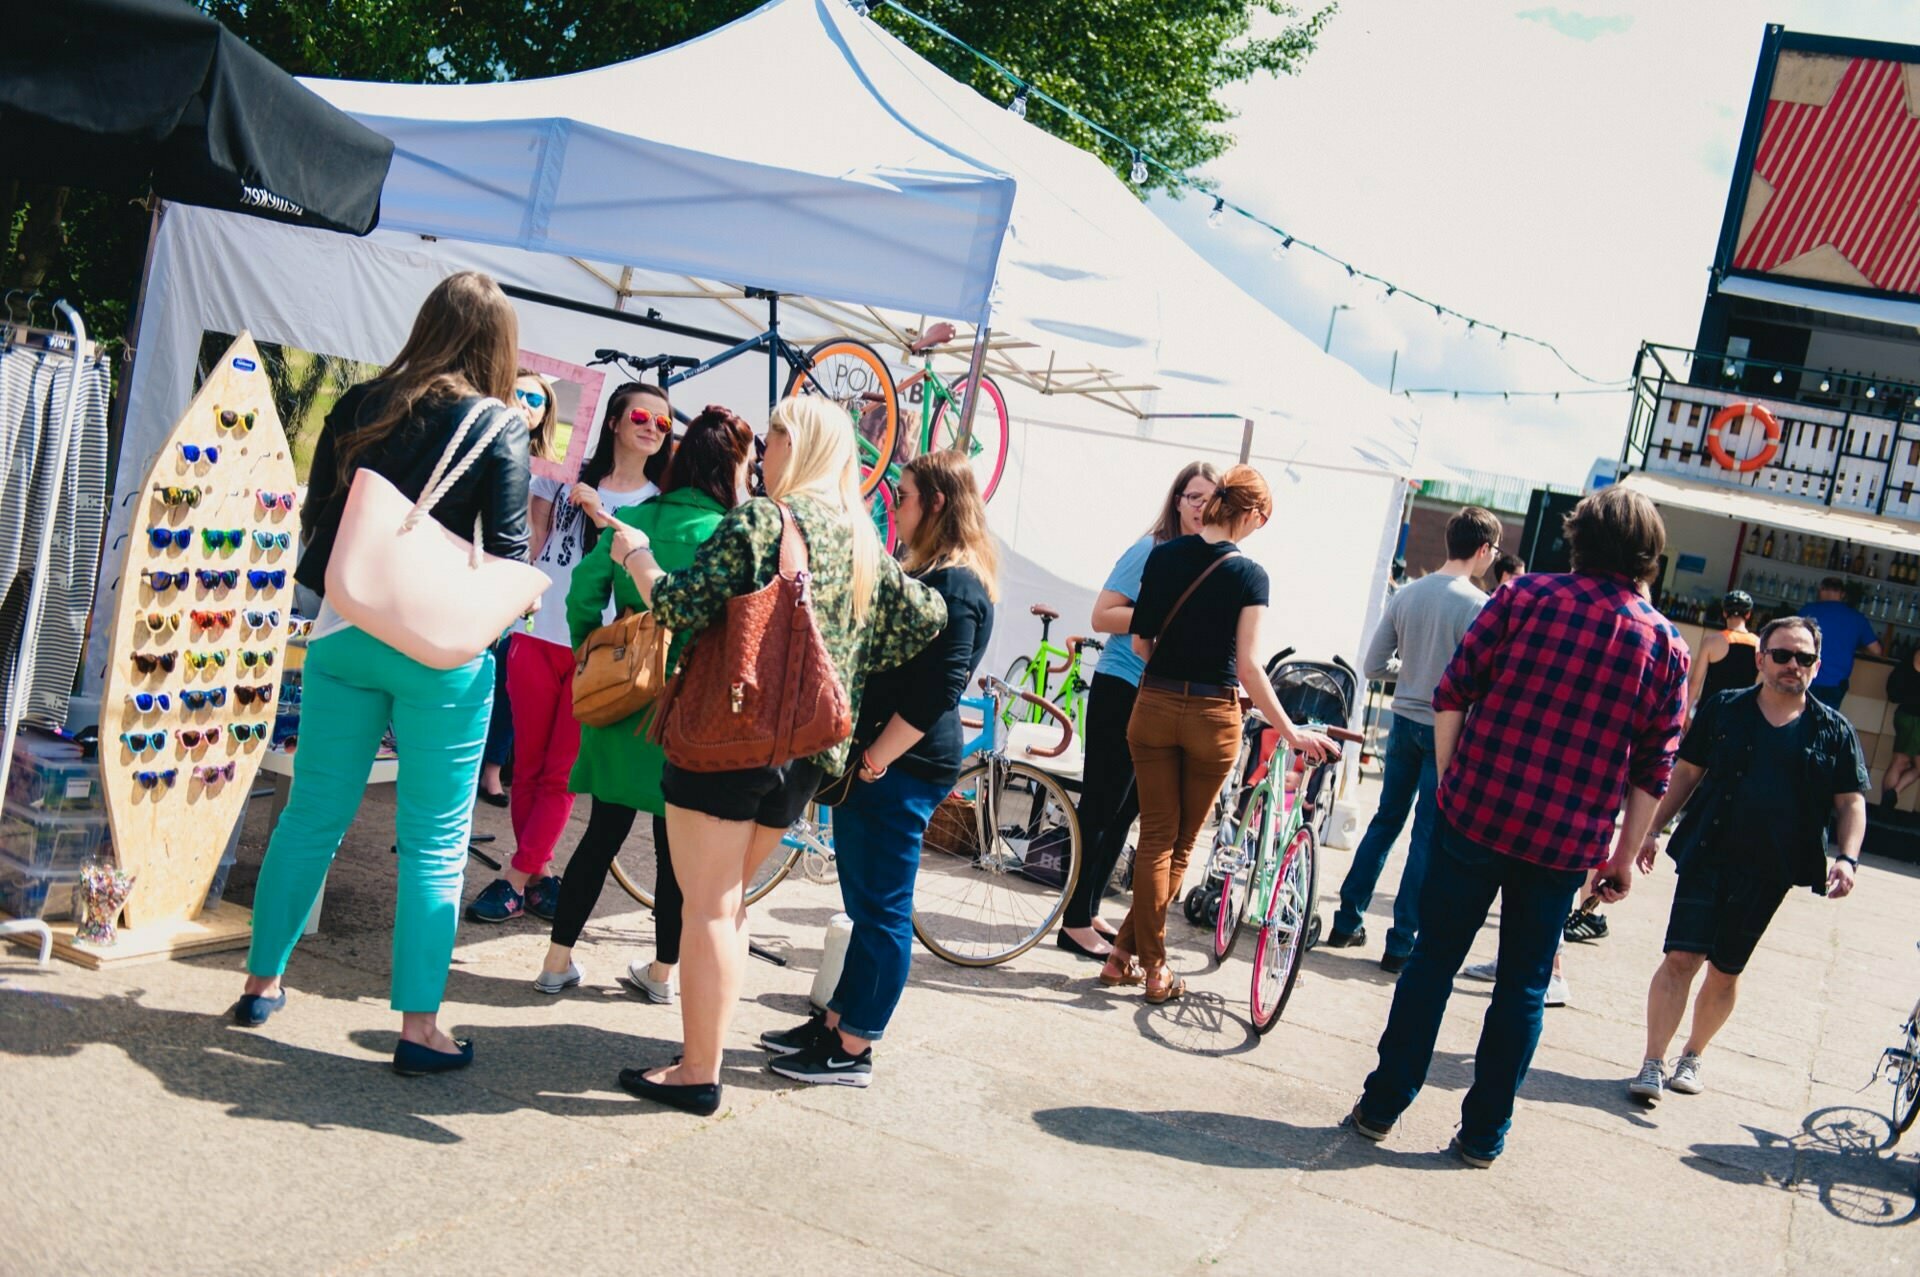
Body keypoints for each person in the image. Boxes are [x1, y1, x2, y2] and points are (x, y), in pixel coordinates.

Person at [600, 395, 946, 1114]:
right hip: (806, 755)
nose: (764, 447)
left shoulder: (764, 519)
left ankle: (699, 1069)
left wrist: (636, 556)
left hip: (728, 738)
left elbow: (677, 607)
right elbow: (927, 618)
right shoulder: (863, 543)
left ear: (803, 445)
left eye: (777, 433)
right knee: (726, 907)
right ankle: (703, 1053)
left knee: (710, 909)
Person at [233, 270, 530, 1075]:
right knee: (435, 843)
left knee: (311, 817)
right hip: (441, 655)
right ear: (497, 345)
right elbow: (507, 551)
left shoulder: (364, 401)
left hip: (343, 627)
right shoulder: (499, 424)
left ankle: (261, 983)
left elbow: (320, 518)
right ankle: (419, 1028)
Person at [1345, 486, 1688, 1166]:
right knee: (1523, 986)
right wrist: (1623, 855)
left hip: (1478, 811)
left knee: (1432, 963)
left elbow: (1452, 693)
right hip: (1565, 840)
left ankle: (1383, 1103)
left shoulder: (1523, 598)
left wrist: (1449, 783)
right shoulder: (1665, 643)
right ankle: (1482, 1133)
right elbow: (1655, 765)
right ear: (1649, 553)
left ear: (1578, 538)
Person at [764, 449, 998, 1086]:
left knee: (885, 911)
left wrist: (874, 759)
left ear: (938, 503)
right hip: (889, 760)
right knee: (865, 905)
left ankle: (855, 1047)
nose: (895, 503)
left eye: (905, 494)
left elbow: (939, 690)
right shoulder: (932, 570)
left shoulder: (958, 583)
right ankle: (837, 1021)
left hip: (904, 763)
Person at [532, 406, 752, 997]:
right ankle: (661, 974)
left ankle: (556, 961)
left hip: (624, 691)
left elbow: (583, 591)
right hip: (689, 706)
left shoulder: (636, 518)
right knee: (673, 848)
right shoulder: (731, 536)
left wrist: (589, 649)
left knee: (599, 833)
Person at [1097, 465, 1338, 1004]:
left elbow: (1140, 643)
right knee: (1179, 845)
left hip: (1153, 704)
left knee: (1156, 838)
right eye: (1264, 520)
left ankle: (1121, 957)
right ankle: (1154, 969)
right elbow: (1250, 668)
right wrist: (1291, 730)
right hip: (1212, 716)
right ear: (1251, 514)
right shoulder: (1250, 575)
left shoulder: (1164, 556)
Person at [1628, 616, 1864, 1104]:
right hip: (1708, 851)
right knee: (1681, 957)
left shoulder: (1832, 730)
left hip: (1772, 868)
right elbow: (1686, 772)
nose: (1791, 665)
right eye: (1782, 655)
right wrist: (1651, 830)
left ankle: (1692, 1054)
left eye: (1803, 658)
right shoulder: (1726, 709)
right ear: (1761, 659)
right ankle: (1653, 1061)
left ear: (1817, 667)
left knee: (1726, 969)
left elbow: (1850, 800)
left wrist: (1847, 858)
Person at [465, 382, 671, 923]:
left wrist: (603, 515)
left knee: (561, 771)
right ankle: (541, 872)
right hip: (534, 633)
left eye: (663, 424)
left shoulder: (654, 504)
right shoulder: (559, 477)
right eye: (643, 416)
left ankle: (514, 877)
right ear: (614, 422)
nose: (652, 428)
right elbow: (530, 539)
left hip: (599, 651)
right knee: (525, 767)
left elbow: (642, 566)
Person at [1328, 506, 1501, 971]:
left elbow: (1372, 666)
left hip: (1402, 721)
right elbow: (1481, 682)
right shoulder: (1479, 607)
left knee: (1385, 823)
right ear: (1483, 550)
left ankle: (1346, 920)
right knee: (1427, 835)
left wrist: (1411, 674)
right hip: (1448, 729)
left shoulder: (1406, 594)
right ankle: (1401, 941)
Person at [1058, 461, 1220, 960]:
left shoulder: (1200, 559)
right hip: (1120, 685)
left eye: (1209, 500)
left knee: (1127, 811)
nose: (1200, 507)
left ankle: (1089, 907)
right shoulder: (1149, 549)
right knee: (1102, 806)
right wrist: (1161, 616)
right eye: (1193, 496)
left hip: (1156, 696)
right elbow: (1102, 614)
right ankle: (1072, 922)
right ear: (1176, 500)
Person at [477, 372, 559, 809]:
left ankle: (492, 769)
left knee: (508, 679)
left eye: (536, 399)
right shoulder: (479, 444)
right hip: (476, 570)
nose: (525, 403)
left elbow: (539, 528)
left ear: (547, 414)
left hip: (519, 580)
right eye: (519, 393)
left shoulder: (547, 466)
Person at [1800, 578, 1881, 708]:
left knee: (1798, 718)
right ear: (1842, 594)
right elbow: (1876, 650)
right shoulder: (1857, 618)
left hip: (1807, 676)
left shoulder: (1808, 611)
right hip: (1836, 682)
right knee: (1827, 723)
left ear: (1821, 589)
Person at [1686, 590, 1759, 711]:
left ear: (1725, 613)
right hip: (1740, 715)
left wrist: (1685, 712)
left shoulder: (1712, 641)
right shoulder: (1759, 645)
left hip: (1709, 712)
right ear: (1748, 615)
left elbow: (1695, 682)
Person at [1882, 647, 1920, 809]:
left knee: (1903, 762)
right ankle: (1888, 802)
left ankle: (1890, 797)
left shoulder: (1912, 653)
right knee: (1901, 761)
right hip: (1915, 718)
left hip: (1906, 714)